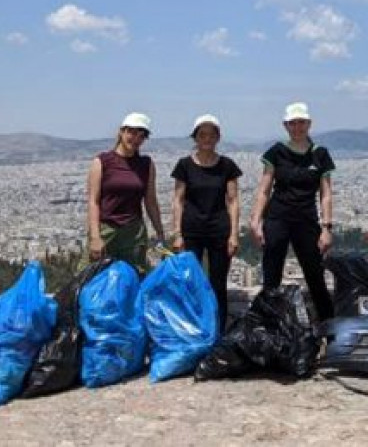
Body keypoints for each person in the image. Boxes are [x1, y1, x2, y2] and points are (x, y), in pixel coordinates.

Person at [250, 102, 336, 321]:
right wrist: (256, 220)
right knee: (271, 276)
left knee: (315, 276)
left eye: (301, 123)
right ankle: (269, 332)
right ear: (286, 125)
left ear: (309, 124)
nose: (297, 127)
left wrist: (326, 227)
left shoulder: (320, 154)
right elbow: (264, 189)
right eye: (293, 123)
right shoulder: (276, 152)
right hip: (277, 218)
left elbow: (325, 193)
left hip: (306, 220)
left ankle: (329, 328)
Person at [170, 114, 243, 331]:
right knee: (190, 281)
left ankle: (217, 329)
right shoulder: (184, 165)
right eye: (202, 134)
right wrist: (177, 233)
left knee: (218, 283)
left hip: (219, 230)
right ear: (195, 137)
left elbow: (233, 201)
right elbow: (178, 200)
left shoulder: (227, 166)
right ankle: (192, 328)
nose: (207, 138)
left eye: (211, 134)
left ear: (218, 137)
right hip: (191, 229)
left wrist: (234, 234)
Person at [85, 112, 166, 276]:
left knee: (134, 277)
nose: (136, 139)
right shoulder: (102, 161)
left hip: (133, 232)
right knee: (91, 276)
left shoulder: (146, 164)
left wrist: (160, 233)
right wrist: (95, 236)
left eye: (141, 136)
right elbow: (93, 201)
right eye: (132, 132)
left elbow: (150, 200)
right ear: (121, 132)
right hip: (106, 229)